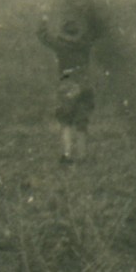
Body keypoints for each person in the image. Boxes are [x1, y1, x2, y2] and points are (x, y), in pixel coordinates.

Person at [37, 12, 98, 163]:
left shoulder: (60, 45)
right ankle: (83, 155)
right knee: (82, 122)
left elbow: (42, 35)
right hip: (84, 84)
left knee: (66, 121)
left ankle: (67, 154)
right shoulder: (85, 43)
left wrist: (44, 19)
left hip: (67, 84)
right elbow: (96, 31)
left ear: (64, 32)